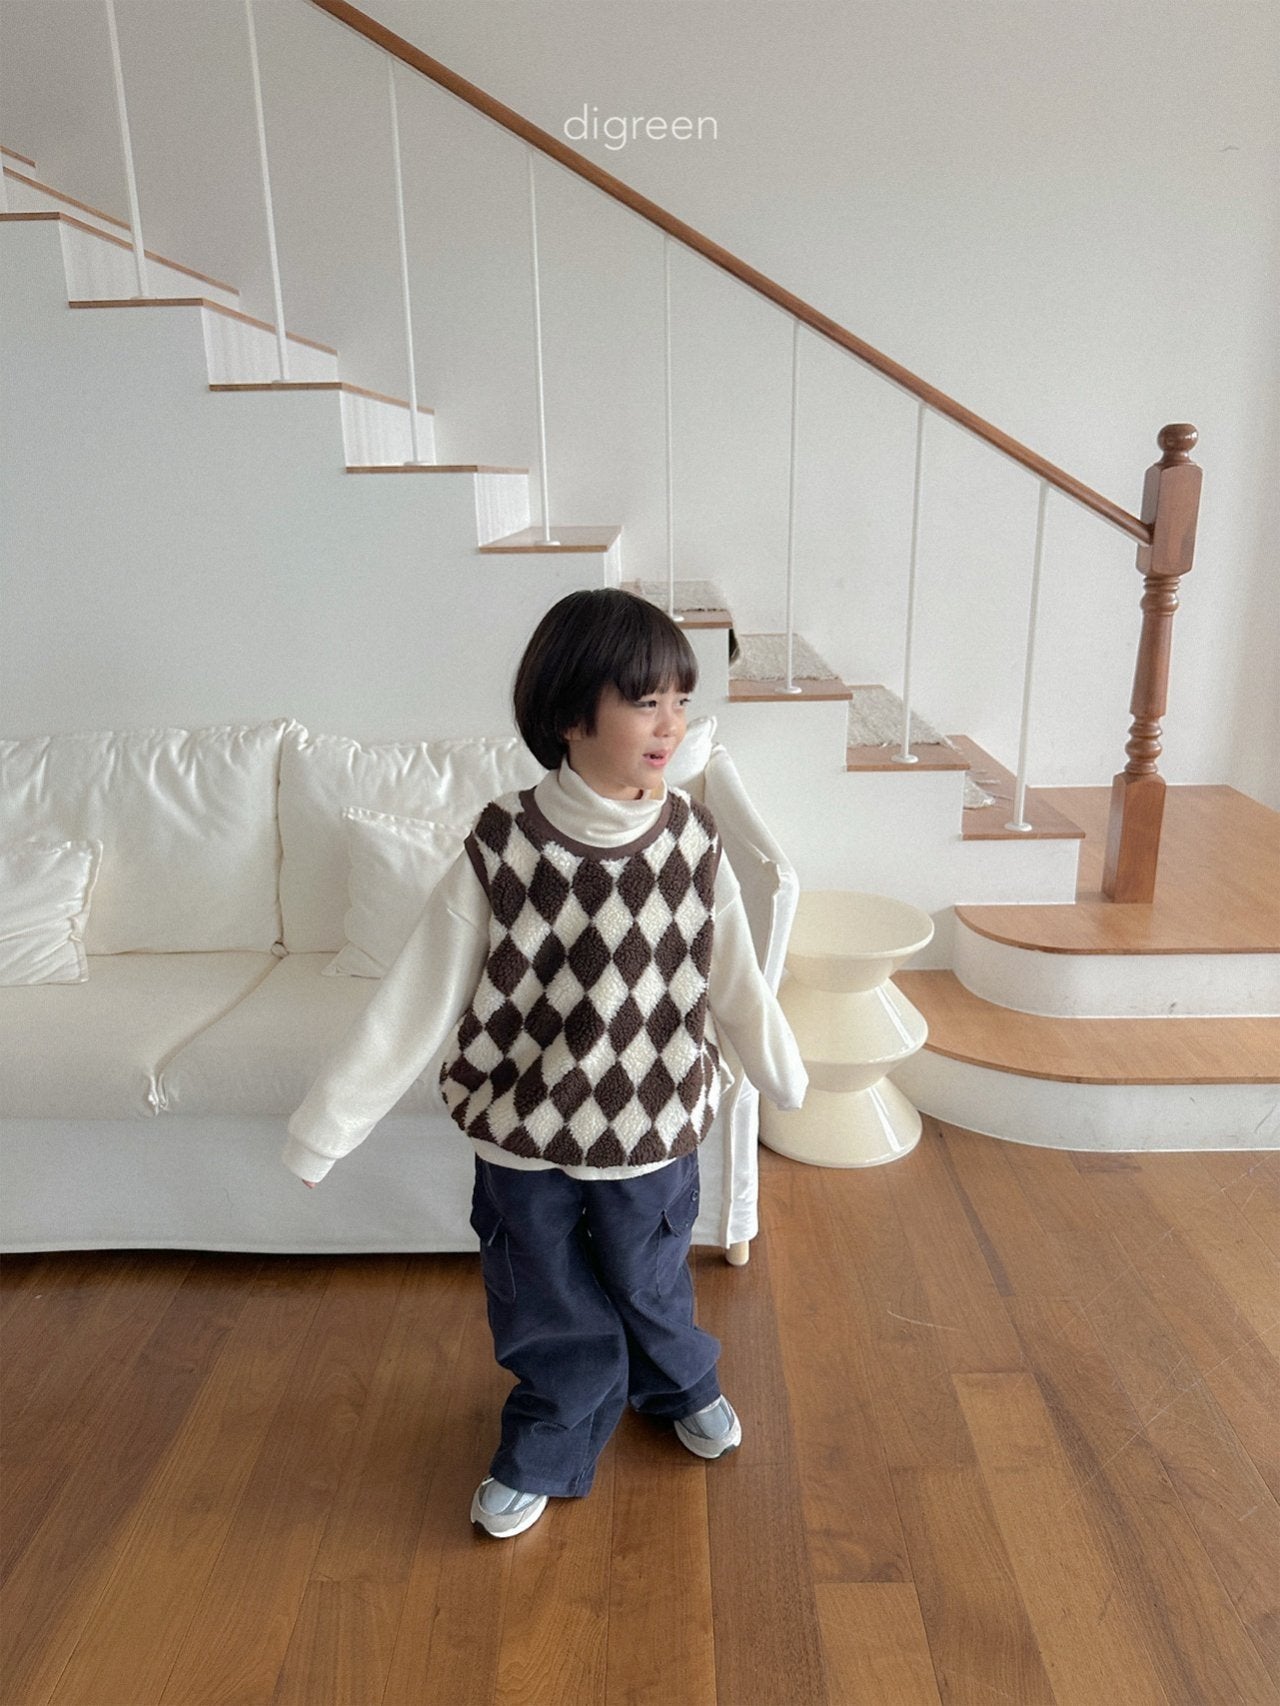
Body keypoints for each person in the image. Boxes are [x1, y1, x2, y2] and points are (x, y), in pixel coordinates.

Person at [283, 588, 807, 1538]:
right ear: (571, 716)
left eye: (680, 702)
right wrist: (328, 1129)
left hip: (652, 1128)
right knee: (545, 1305)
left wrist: (782, 1074)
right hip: (523, 1136)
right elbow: (417, 995)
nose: (671, 724)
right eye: (645, 702)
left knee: (651, 1284)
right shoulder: (505, 845)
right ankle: (548, 1441)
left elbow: (732, 976)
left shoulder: (694, 842)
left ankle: (678, 1383)